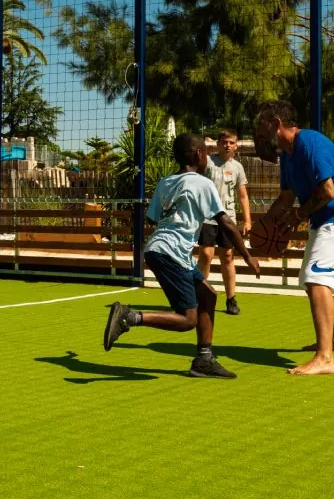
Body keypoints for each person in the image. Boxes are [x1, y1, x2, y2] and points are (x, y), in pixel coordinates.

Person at [102, 133, 260, 379]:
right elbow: (226, 222)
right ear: (199, 155)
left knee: (207, 295)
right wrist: (247, 256)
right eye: (205, 152)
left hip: (161, 248)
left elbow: (153, 219)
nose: (207, 156)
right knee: (188, 320)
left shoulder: (166, 182)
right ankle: (129, 317)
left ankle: (204, 360)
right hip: (170, 252)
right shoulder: (202, 183)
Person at [253, 101, 334, 376]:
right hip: (327, 219)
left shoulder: (309, 142)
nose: (259, 130)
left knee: (317, 279)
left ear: (276, 123)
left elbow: (328, 191)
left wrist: (296, 218)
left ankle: (325, 358)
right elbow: (285, 198)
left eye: (262, 123)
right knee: (313, 282)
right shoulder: (288, 156)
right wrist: (266, 224)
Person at [197, 130, 252, 316]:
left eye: (231, 142)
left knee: (227, 256)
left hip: (228, 218)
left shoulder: (237, 167)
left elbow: (243, 195)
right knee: (206, 253)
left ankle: (231, 299)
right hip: (207, 216)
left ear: (236, 145)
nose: (227, 145)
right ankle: (200, 295)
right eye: (224, 142)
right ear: (218, 144)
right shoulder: (207, 162)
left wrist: (247, 220)